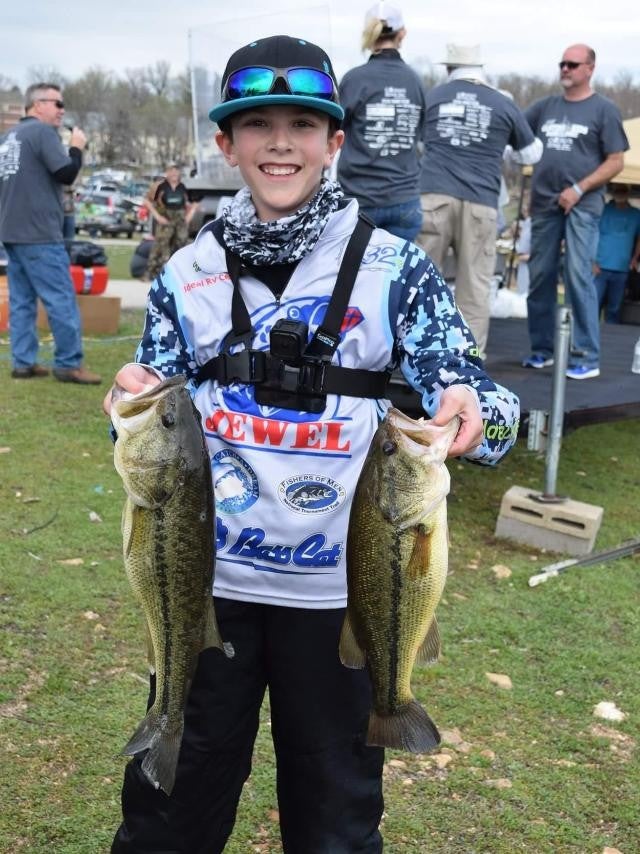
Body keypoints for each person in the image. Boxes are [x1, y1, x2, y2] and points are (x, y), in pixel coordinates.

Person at [104, 34, 520, 854]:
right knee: (171, 809)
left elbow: (485, 399)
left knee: (335, 813)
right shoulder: (186, 273)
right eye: (258, 124)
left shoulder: (397, 269)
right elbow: (146, 417)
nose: (281, 143)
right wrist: (124, 400)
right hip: (205, 589)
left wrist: (474, 408)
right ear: (226, 143)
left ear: (337, 141)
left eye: (304, 124)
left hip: (345, 599)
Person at [417, 44, 541, 359]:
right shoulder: (502, 102)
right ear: (480, 67)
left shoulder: (432, 96)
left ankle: (413, 355)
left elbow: (419, 143)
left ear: (449, 68)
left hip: (433, 195)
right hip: (481, 202)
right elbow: (531, 153)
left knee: (420, 282)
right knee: (474, 288)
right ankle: (466, 362)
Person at [523, 44, 629, 379]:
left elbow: (616, 161)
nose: (565, 69)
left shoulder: (604, 110)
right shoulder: (545, 107)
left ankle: (585, 354)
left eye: (572, 64)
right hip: (544, 203)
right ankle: (542, 350)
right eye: (562, 63)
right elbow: (519, 137)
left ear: (590, 69)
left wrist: (580, 188)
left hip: (583, 204)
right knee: (539, 276)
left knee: (578, 273)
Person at [0, 82, 101, 383]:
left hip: (12, 232)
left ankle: (23, 362)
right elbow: (66, 173)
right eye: (57, 104)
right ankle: (69, 363)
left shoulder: (9, 137)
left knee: (22, 301)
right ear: (37, 105)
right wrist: (77, 147)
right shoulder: (42, 132)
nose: (62, 110)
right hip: (39, 233)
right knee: (61, 299)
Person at [336, 3, 426, 241]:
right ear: (402, 33)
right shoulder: (415, 81)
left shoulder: (355, 79)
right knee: (397, 276)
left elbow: (331, 133)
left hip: (360, 199)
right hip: (406, 201)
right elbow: (421, 135)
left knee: (353, 276)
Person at [593, 183, 640, 323]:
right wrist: (592, 260)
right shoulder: (602, 210)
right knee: (593, 305)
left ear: (627, 192)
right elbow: (591, 235)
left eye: (623, 190)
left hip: (622, 268)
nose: (620, 192)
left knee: (614, 309)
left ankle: (611, 340)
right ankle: (588, 336)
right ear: (613, 192)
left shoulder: (636, 214)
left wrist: (635, 258)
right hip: (599, 267)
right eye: (617, 190)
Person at [144, 164, 195, 280]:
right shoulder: (160, 187)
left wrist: (190, 214)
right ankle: (152, 273)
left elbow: (188, 203)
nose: (174, 174)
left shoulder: (183, 187)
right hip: (165, 220)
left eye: (176, 172)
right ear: (167, 173)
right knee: (161, 246)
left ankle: (176, 275)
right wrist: (157, 216)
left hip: (179, 222)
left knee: (180, 245)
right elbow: (147, 202)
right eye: (171, 172)